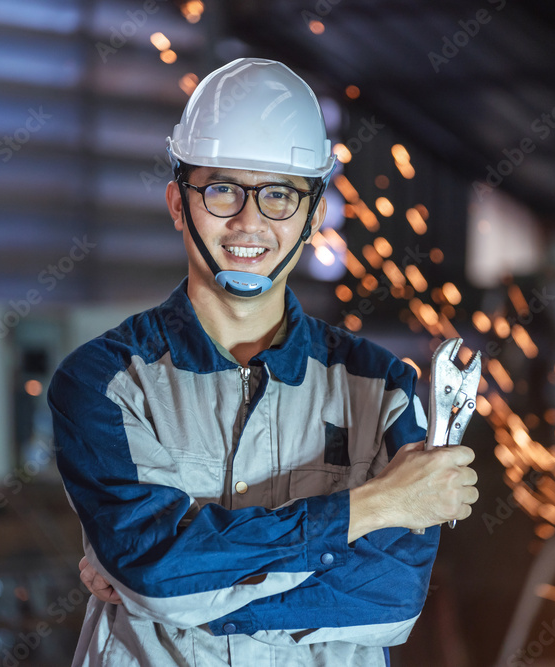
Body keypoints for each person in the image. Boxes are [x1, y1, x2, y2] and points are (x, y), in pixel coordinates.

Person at [49, 57, 478, 667]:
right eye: (222, 189)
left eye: (279, 195)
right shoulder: (104, 383)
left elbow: (391, 598)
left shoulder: (382, 386)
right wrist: (378, 505)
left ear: (313, 217)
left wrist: (168, 586)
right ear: (178, 204)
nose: (249, 221)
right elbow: (155, 571)